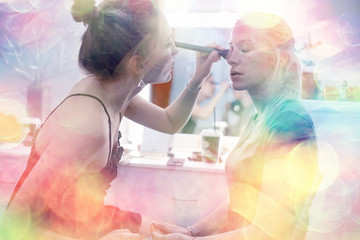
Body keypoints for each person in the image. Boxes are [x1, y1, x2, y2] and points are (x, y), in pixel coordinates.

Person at [0, 0, 223, 239]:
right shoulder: (87, 125)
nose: (176, 51)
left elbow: (169, 122)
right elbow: (13, 223)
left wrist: (199, 75)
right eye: (169, 43)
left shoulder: (114, 94)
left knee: (174, 231)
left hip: (82, 218)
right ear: (137, 63)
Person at [152, 12, 321, 240]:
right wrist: (192, 231)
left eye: (246, 48)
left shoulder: (289, 122)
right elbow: (242, 202)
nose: (230, 59)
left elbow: (269, 232)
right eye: (231, 49)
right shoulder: (260, 117)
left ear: (277, 57)